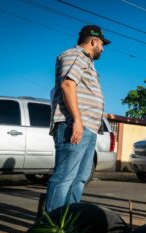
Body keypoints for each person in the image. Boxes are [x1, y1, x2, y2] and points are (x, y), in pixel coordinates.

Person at [45, 25, 110, 213]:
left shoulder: (87, 61)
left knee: (80, 178)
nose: (103, 49)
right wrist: (77, 120)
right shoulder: (75, 55)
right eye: (102, 44)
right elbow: (67, 85)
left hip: (88, 129)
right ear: (94, 41)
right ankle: (53, 227)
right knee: (65, 177)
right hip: (73, 125)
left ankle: (69, 222)